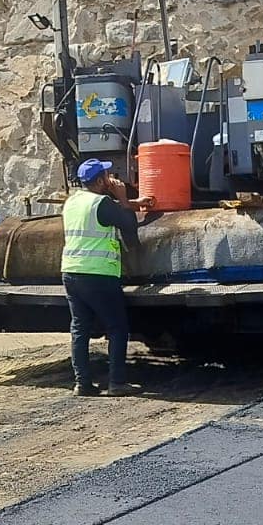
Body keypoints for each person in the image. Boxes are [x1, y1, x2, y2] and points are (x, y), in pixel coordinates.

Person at [61, 158, 155, 397]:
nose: (111, 178)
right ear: (101, 181)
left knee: (79, 329)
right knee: (117, 327)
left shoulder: (73, 201)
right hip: (98, 274)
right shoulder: (101, 203)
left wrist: (132, 203)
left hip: (71, 271)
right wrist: (123, 197)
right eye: (107, 175)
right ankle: (117, 383)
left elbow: (107, 212)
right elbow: (128, 225)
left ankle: (82, 384)